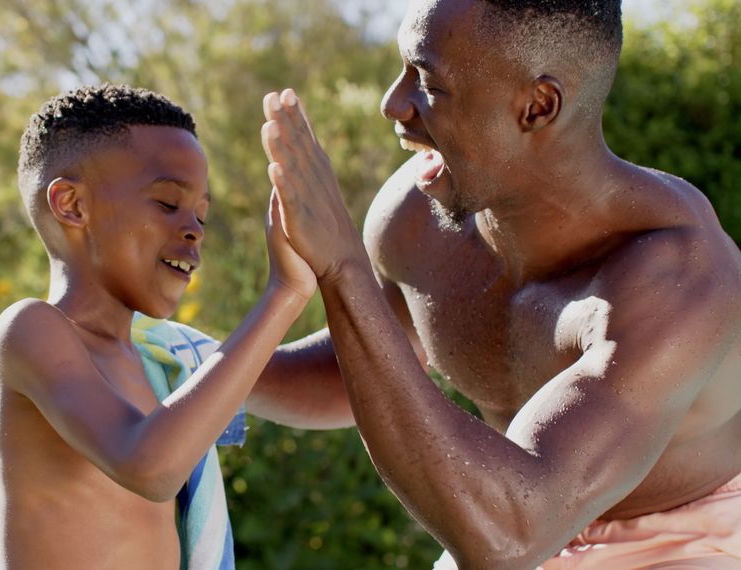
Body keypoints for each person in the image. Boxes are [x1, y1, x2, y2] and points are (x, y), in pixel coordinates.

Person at [255, 0, 741, 568]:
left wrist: (342, 269)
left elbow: (509, 539)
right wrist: (206, 367)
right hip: (510, 521)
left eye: (428, 82)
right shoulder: (415, 217)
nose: (393, 103)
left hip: (685, 541)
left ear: (538, 106)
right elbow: (372, 358)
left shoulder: (677, 275)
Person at [0, 84, 315, 569]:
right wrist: (285, 294)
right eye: (167, 203)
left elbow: (328, 385)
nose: (195, 229)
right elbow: (150, 466)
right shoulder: (33, 329)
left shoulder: (161, 357)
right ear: (72, 205)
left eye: (202, 215)